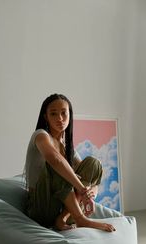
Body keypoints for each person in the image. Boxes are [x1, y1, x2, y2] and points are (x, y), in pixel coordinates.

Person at [24, 93, 116, 232]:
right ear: (46, 117)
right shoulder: (41, 135)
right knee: (60, 166)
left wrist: (92, 192)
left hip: (61, 211)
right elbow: (55, 160)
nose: (60, 118)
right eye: (53, 114)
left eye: (64, 113)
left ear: (69, 115)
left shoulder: (67, 147)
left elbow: (88, 174)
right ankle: (80, 219)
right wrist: (81, 189)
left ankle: (63, 219)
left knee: (93, 163)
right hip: (41, 208)